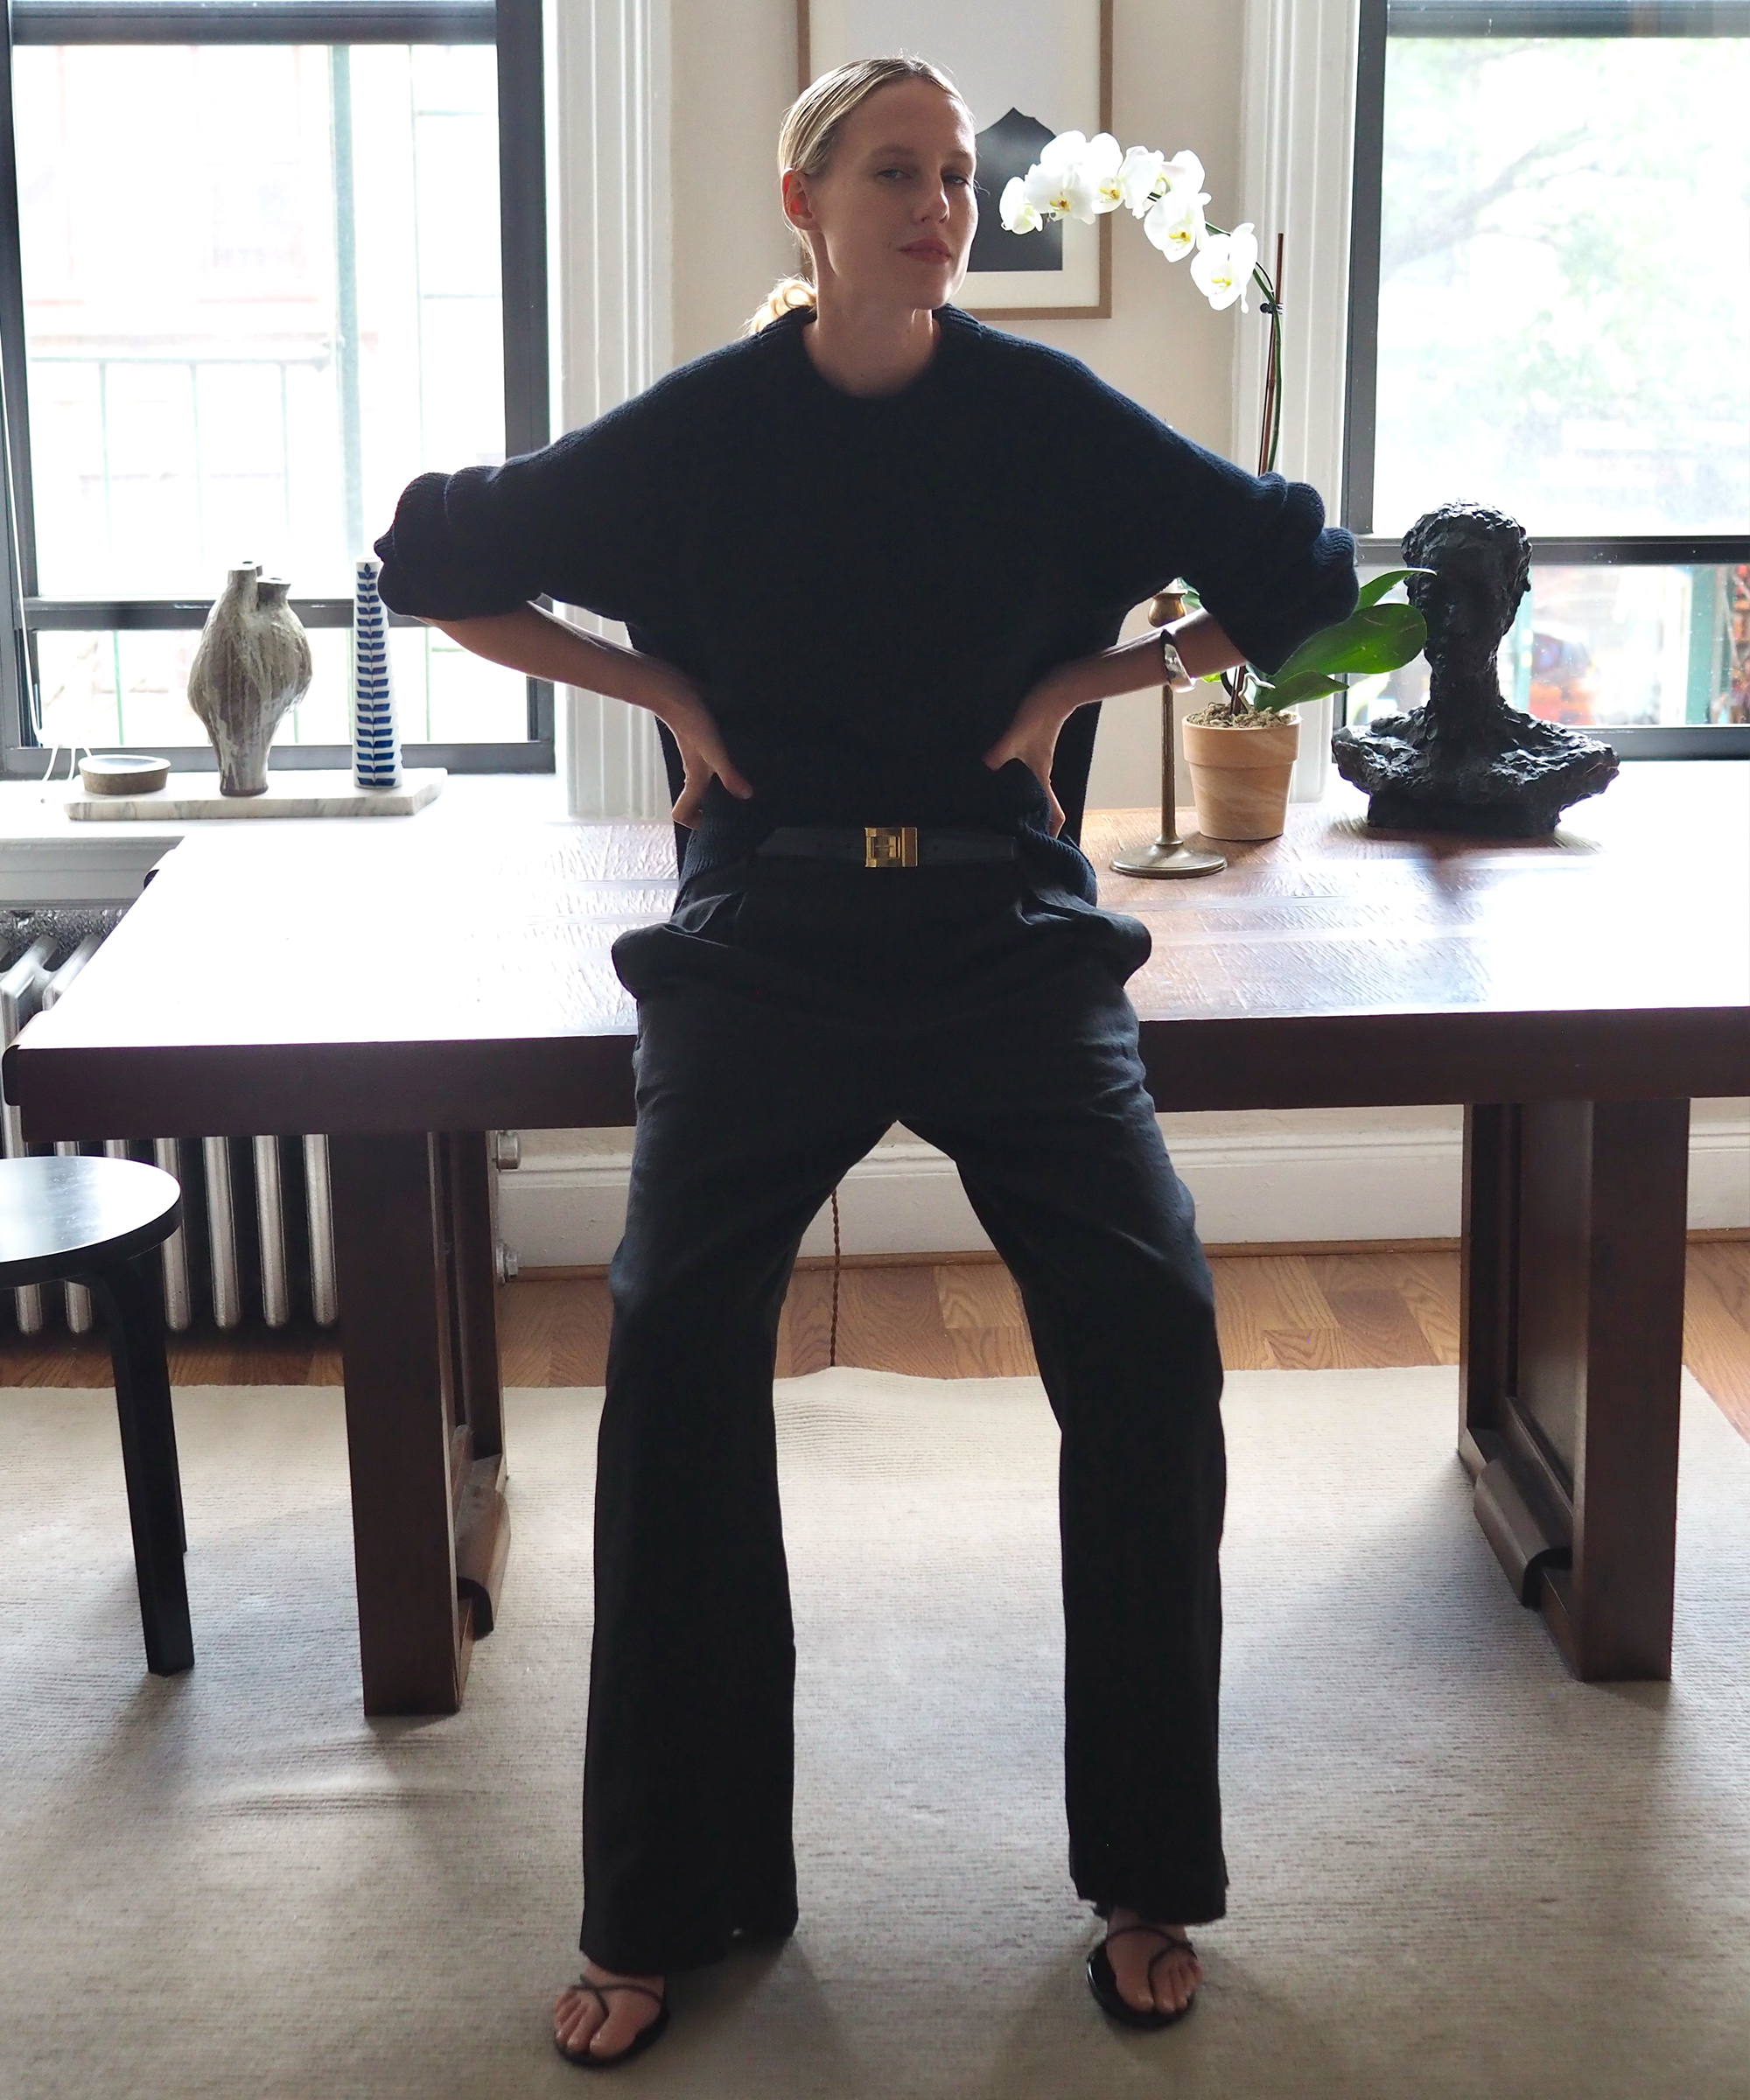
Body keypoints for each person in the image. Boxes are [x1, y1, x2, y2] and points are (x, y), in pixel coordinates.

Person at [374, 54, 1357, 2069]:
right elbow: (436, 559)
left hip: (1005, 928)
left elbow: (1304, 576)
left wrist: (1096, 675)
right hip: (768, 940)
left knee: (1154, 1320)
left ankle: (1148, 1871)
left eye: (953, 178)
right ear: (802, 207)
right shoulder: (704, 432)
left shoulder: (1046, 418)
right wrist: (648, 679)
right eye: (893, 174)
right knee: (665, 1347)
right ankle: (671, 1895)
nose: (940, 207)